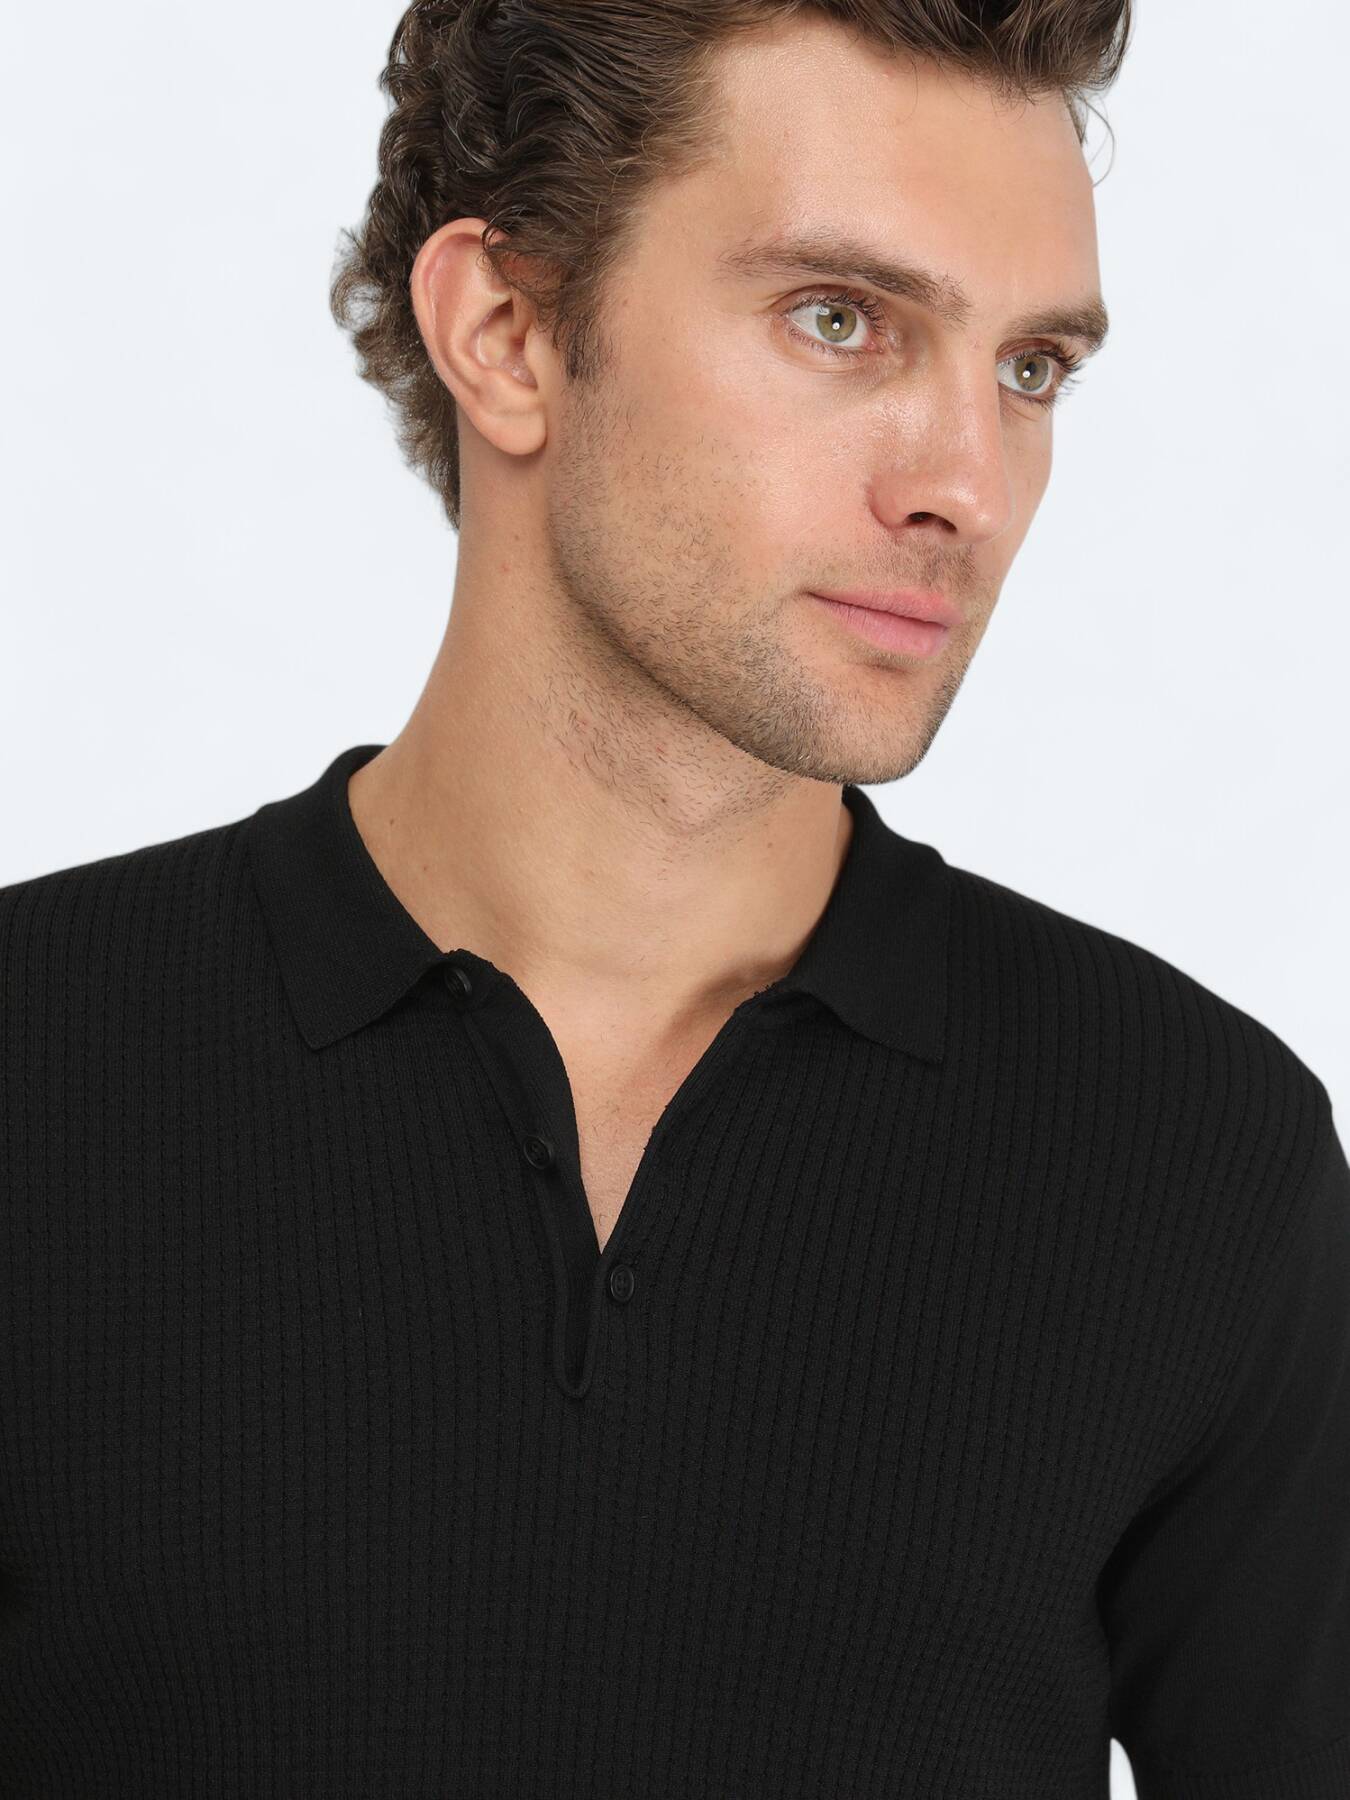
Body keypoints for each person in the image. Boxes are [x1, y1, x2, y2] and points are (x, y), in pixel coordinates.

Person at [2, 3, 1347, 1795]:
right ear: (506, 334)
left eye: (1030, 369)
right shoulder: (34, 1071)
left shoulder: (1195, 1150)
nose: (964, 484)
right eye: (838, 319)